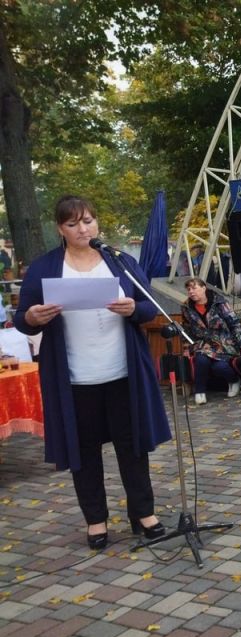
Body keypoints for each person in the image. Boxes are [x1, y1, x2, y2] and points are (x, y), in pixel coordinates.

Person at [13, 195, 170, 550]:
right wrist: (33, 318)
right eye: (73, 224)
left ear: (96, 222)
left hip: (122, 374)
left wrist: (133, 308)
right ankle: (96, 521)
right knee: (84, 453)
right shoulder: (45, 268)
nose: (83, 229)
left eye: (88, 221)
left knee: (132, 448)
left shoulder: (119, 261)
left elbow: (150, 308)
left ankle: (144, 514)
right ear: (60, 229)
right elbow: (23, 318)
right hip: (74, 380)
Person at [180, 277, 241, 405]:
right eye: (189, 289)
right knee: (201, 357)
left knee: (219, 367)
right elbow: (186, 330)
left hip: (224, 343)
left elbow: (234, 324)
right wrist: (186, 347)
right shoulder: (186, 308)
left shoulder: (219, 303)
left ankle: (235, 380)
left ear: (204, 288)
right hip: (203, 345)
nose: (191, 292)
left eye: (194, 288)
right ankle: (200, 392)